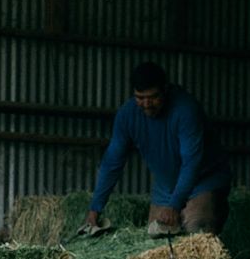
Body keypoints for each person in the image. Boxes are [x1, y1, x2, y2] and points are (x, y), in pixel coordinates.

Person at [82, 62, 232, 236]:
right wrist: (95, 209)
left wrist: (175, 205)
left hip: (203, 181)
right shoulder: (127, 115)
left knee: (196, 233)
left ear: (165, 89)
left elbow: (191, 163)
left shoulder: (186, 111)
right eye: (140, 98)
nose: (147, 104)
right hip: (165, 186)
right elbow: (111, 163)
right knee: (154, 240)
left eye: (153, 97)